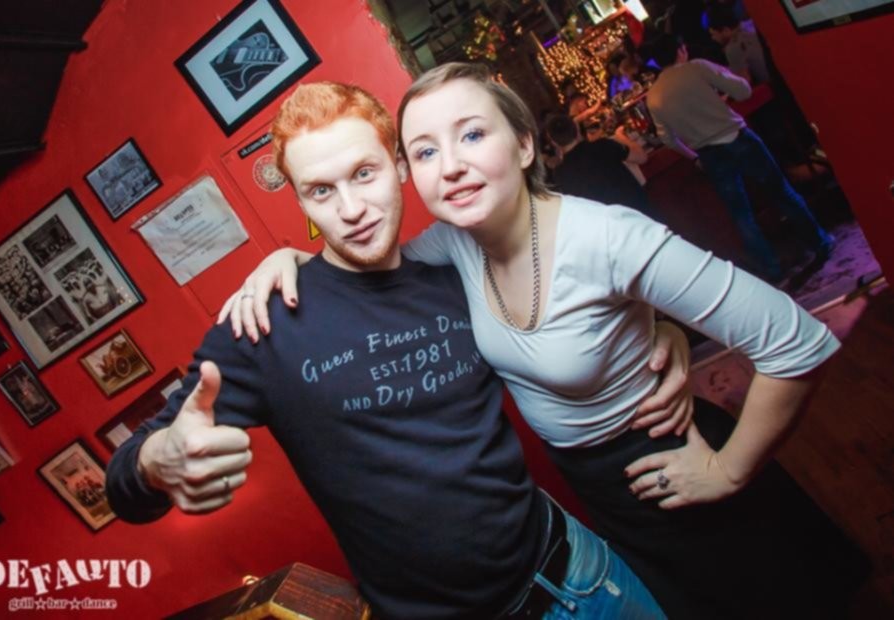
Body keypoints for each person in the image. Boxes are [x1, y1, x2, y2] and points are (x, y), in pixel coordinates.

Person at [224, 63, 868, 619]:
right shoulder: (452, 246)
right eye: (425, 151)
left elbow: (796, 341)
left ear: (526, 144)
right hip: (600, 493)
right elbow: (361, 263)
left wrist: (728, 470)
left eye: (472, 134)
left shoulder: (608, 237)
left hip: (670, 460)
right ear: (408, 173)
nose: (452, 165)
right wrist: (287, 258)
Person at [105, 81, 690, 619]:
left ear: (400, 165)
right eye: (321, 191)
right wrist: (156, 461)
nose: (351, 210)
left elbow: (572, 320)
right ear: (302, 202)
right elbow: (124, 483)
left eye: (365, 173)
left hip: (583, 577)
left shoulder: (458, 271)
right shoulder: (264, 324)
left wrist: (661, 336)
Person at [641, 33, 833, 281]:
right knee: (781, 193)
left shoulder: (653, 97)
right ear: (680, 50)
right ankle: (819, 242)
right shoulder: (696, 68)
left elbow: (667, 138)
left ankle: (772, 268)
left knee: (741, 215)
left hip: (709, 154)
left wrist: (694, 157)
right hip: (738, 138)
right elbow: (743, 91)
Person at [545, 113, 662, 223]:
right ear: (576, 129)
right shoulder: (602, 145)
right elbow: (642, 157)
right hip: (640, 214)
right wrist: (621, 136)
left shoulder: (560, 174)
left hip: (612, 228)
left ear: (554, 142)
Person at [705, 6, 770, 85]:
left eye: (713, 34)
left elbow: (744, 84)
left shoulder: (733, 48)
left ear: (726, 30)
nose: (713, 38)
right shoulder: (752, 22)